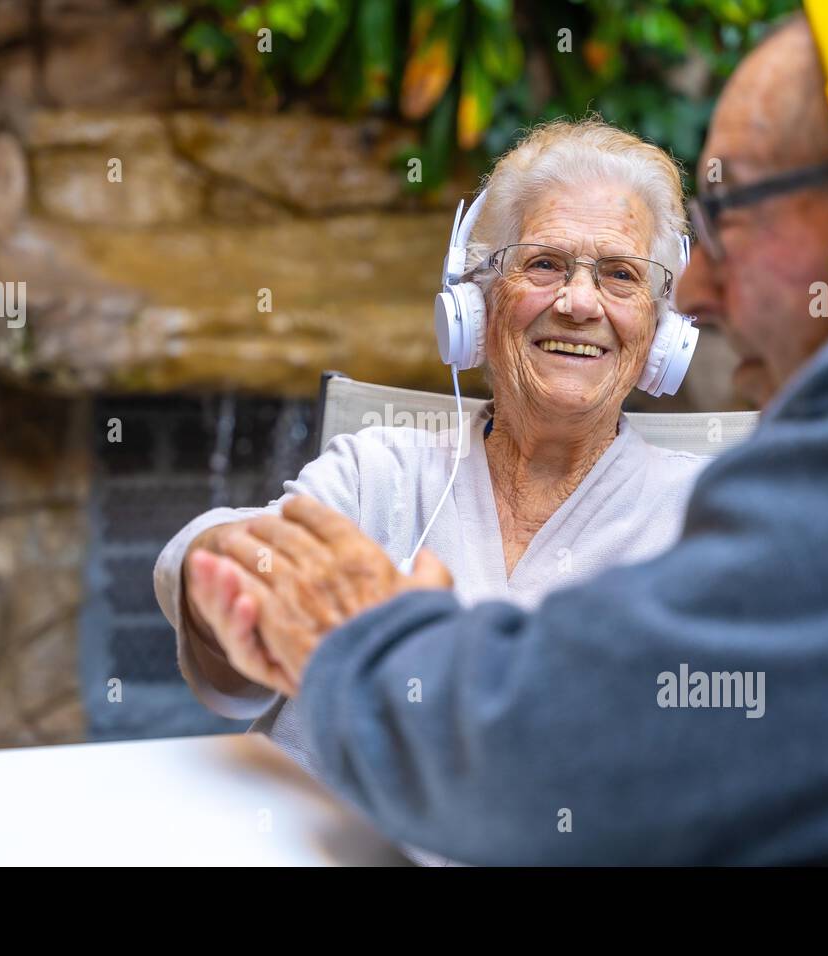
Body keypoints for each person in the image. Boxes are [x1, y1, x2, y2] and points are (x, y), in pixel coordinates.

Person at [188, 0, 828, 864]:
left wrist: (355, 642)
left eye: (732, 217)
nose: (707, 297)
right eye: (542, 265)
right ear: (476, 299)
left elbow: (551, 767)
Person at [154, 119, 711, 861]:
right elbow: (231, 636)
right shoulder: (381, 468)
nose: (580, 302)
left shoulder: (707, 518)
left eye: (620, 274)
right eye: (543, 264)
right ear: (476, 305)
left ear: (661, 330)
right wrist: (223, 571)